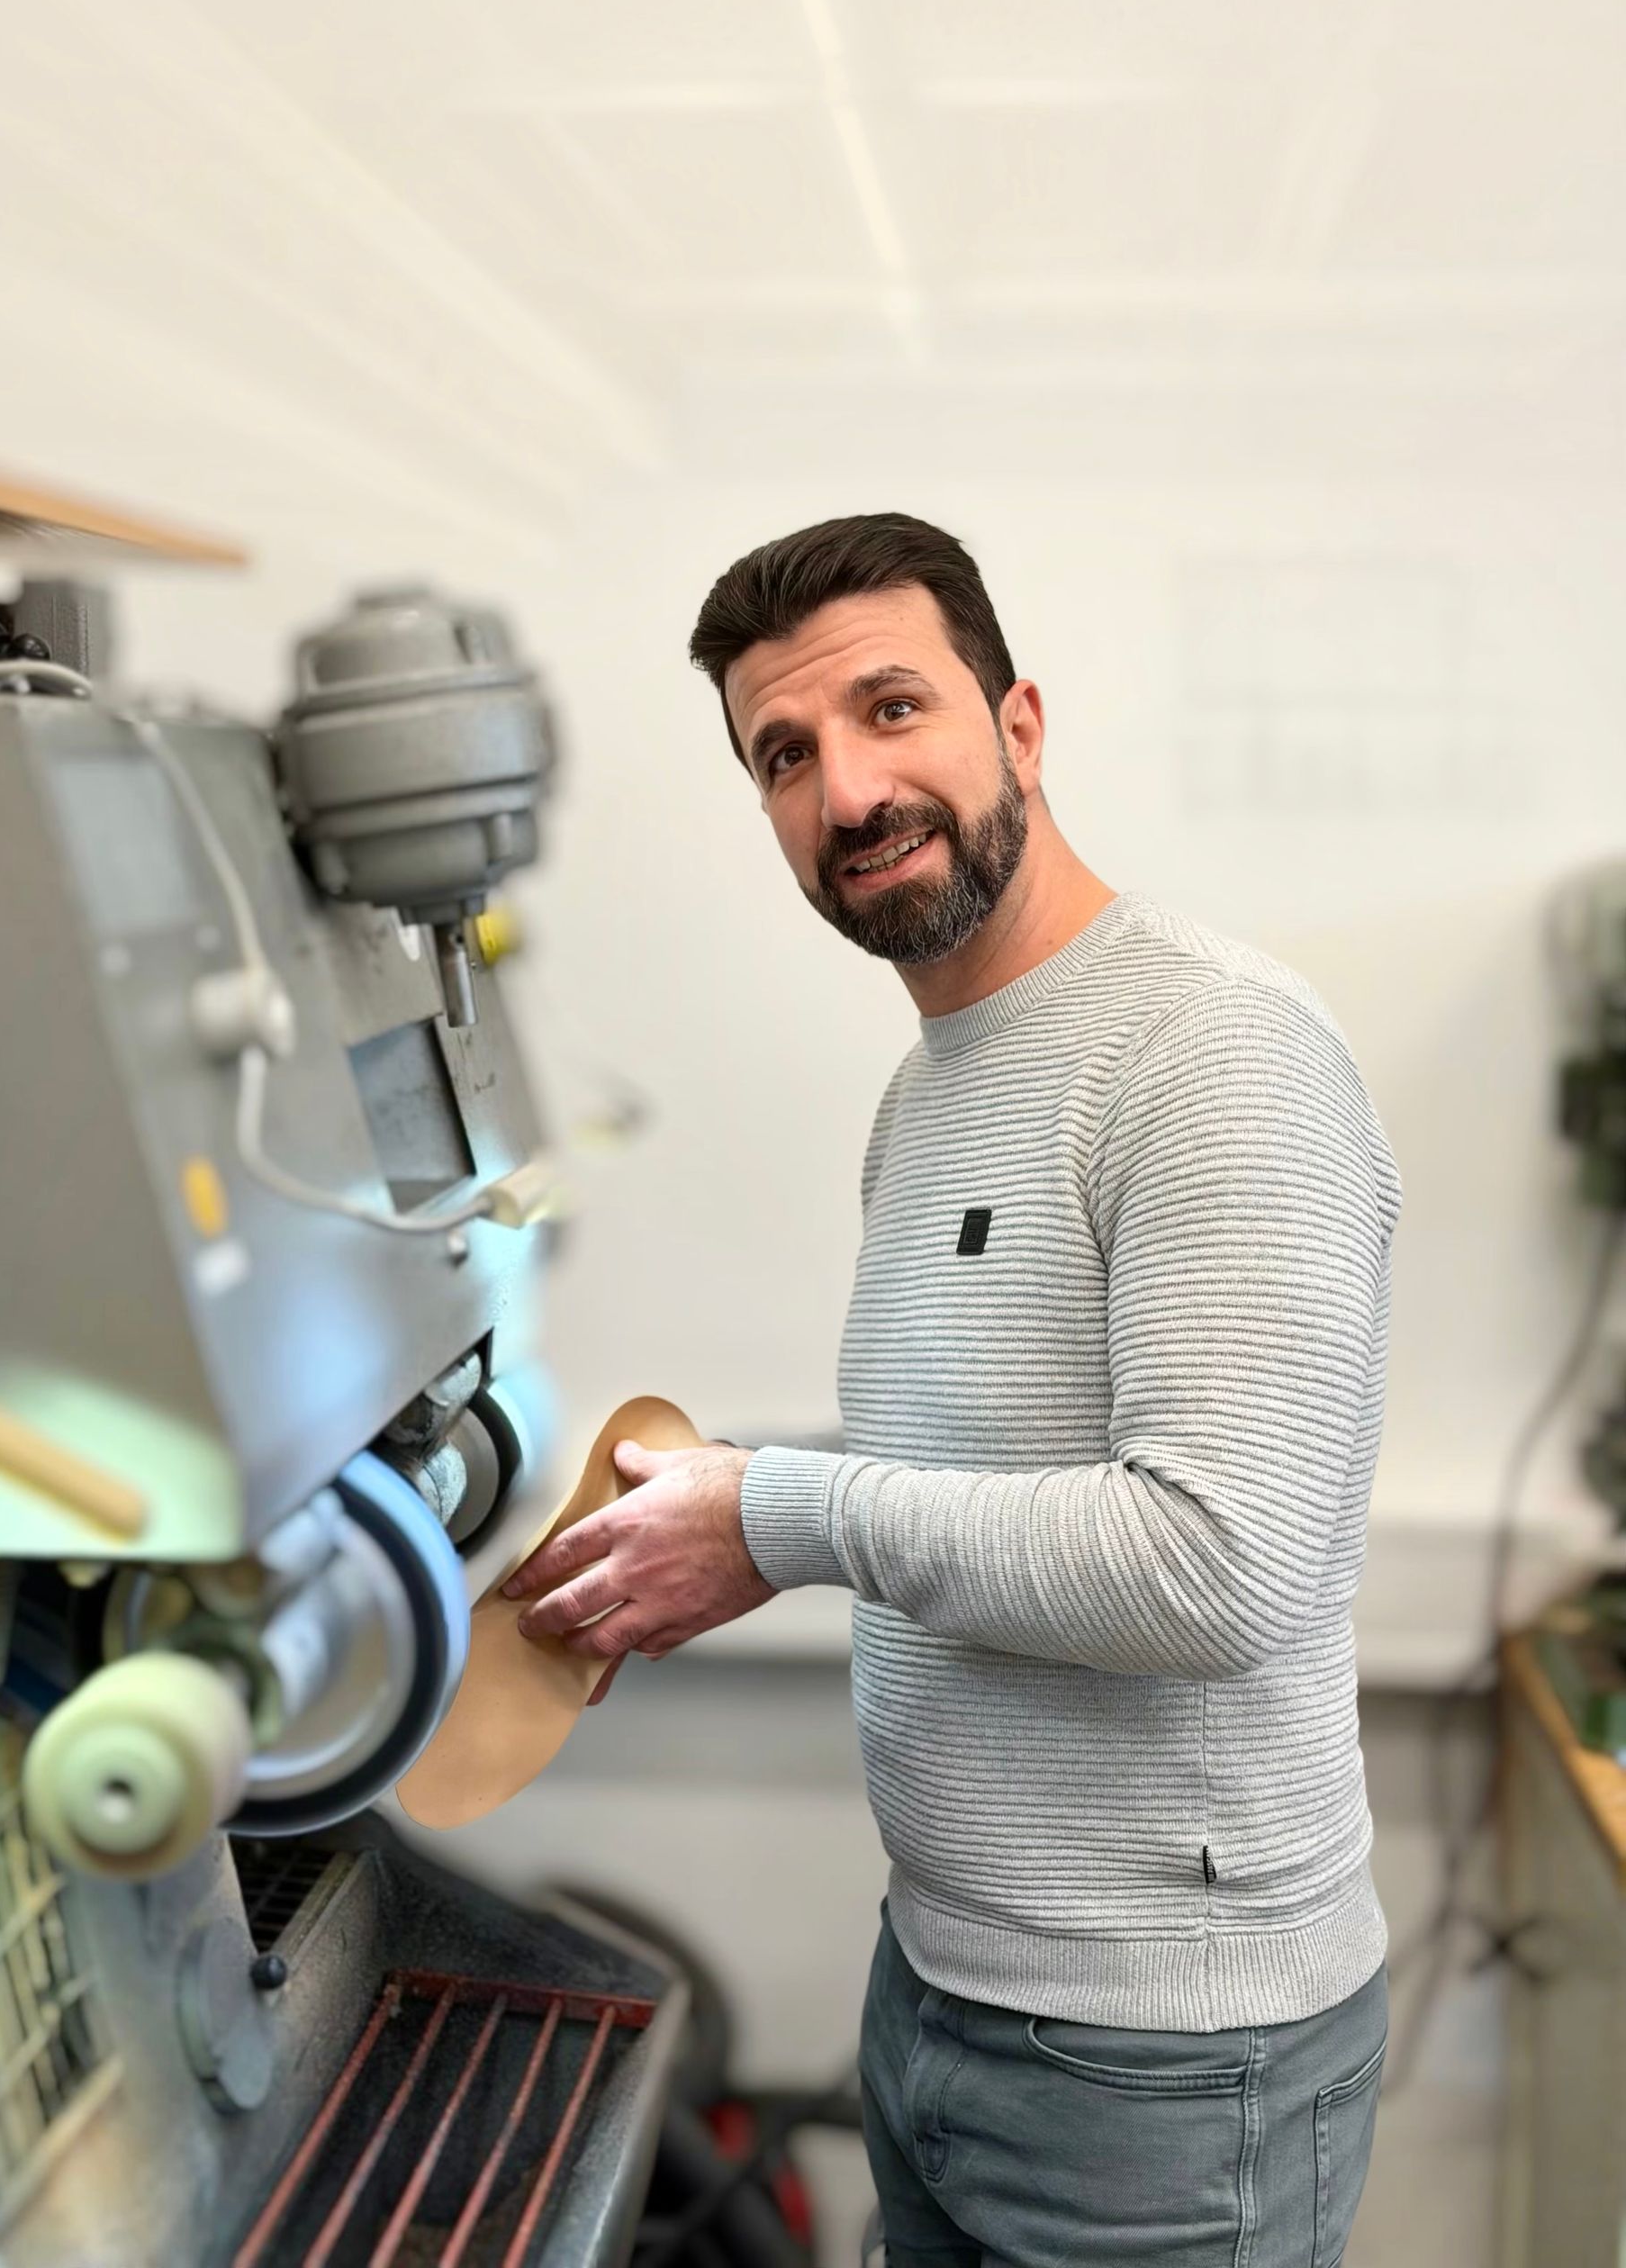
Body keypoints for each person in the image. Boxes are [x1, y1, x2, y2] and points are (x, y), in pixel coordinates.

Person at [504, 511, 1399, 2267]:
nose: (847, 790)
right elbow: (980, 1465)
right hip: (938, 1991)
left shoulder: (1217, 1051)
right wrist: (716, 1513)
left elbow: (1217, 1559)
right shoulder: (931, 1091)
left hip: (1172, 2070)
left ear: (1022, 726)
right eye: (784, 754)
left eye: (892, 709)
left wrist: (778, 1515)